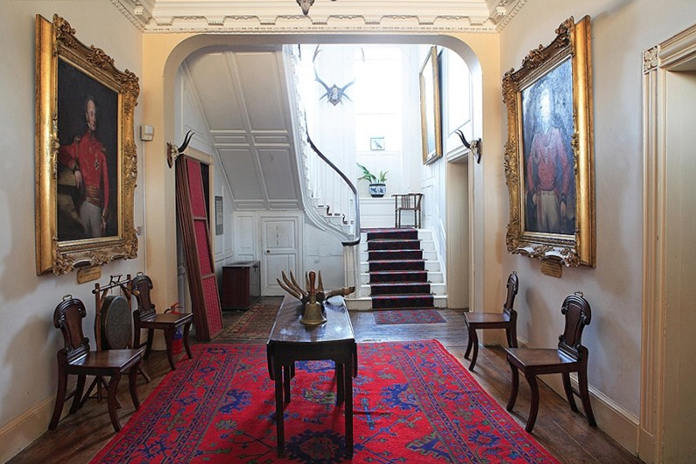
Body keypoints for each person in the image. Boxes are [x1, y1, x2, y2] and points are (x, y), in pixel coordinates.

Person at [58, 95, 110, 238]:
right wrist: (75, 168)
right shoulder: (80, 144)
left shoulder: (101, 149)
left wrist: (105, 212)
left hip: (96, 206)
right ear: (86, 116)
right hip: (82, 204)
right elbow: (61, 152)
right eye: (91, 114)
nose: (94, 118)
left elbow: (106, 185)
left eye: (95, 114)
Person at [526, 87, 571, 234]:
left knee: (555, 233)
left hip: (554, 195)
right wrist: (532, 192)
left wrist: (563, 198)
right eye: (541, 107)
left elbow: (565, 166)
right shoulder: (537, 138)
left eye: (546, 106)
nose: (543, 111)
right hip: (539, 196)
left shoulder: (556, 134)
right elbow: (529, 166)